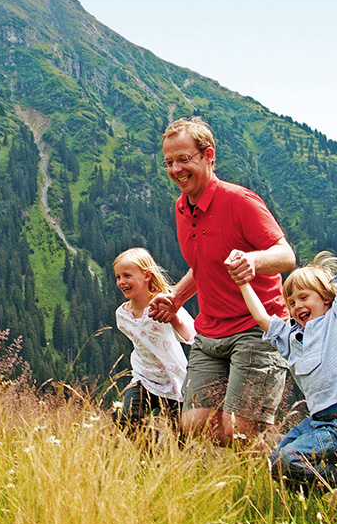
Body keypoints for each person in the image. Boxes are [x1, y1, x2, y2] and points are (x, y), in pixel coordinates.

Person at [148, 117, 296, 446]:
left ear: (208, 156)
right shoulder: (181, 208)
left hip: (258, 328)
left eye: (184, 159)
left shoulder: (240, 201)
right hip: (210, 332)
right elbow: (204, 264)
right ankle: (274, 455)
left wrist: (253, 260)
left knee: (237, 433)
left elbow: (286, 255)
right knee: (194, 425)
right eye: (169, 162)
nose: (176, 169)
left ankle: (292, 465)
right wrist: (175, 298)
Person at [233, 216, 337, 491]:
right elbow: (263, 319)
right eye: (291, 302)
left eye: (304, 297)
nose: (296, 306)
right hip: (319, 423)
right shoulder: (295, 338)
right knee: (277, 462)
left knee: (290, 459)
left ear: (325, 297)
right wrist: (242, 283)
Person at [112, 247, 195, 432]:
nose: (121, 282)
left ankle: (184, 460)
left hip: (174, 380)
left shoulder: (165, 304)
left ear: (147, 275)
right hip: (144, 379)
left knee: (184, 437)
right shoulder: (122, 315)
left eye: (127, 275)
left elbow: (191, 336)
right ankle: (153, 456)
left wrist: (174, 318)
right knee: (125, 418)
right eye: (118, 277)